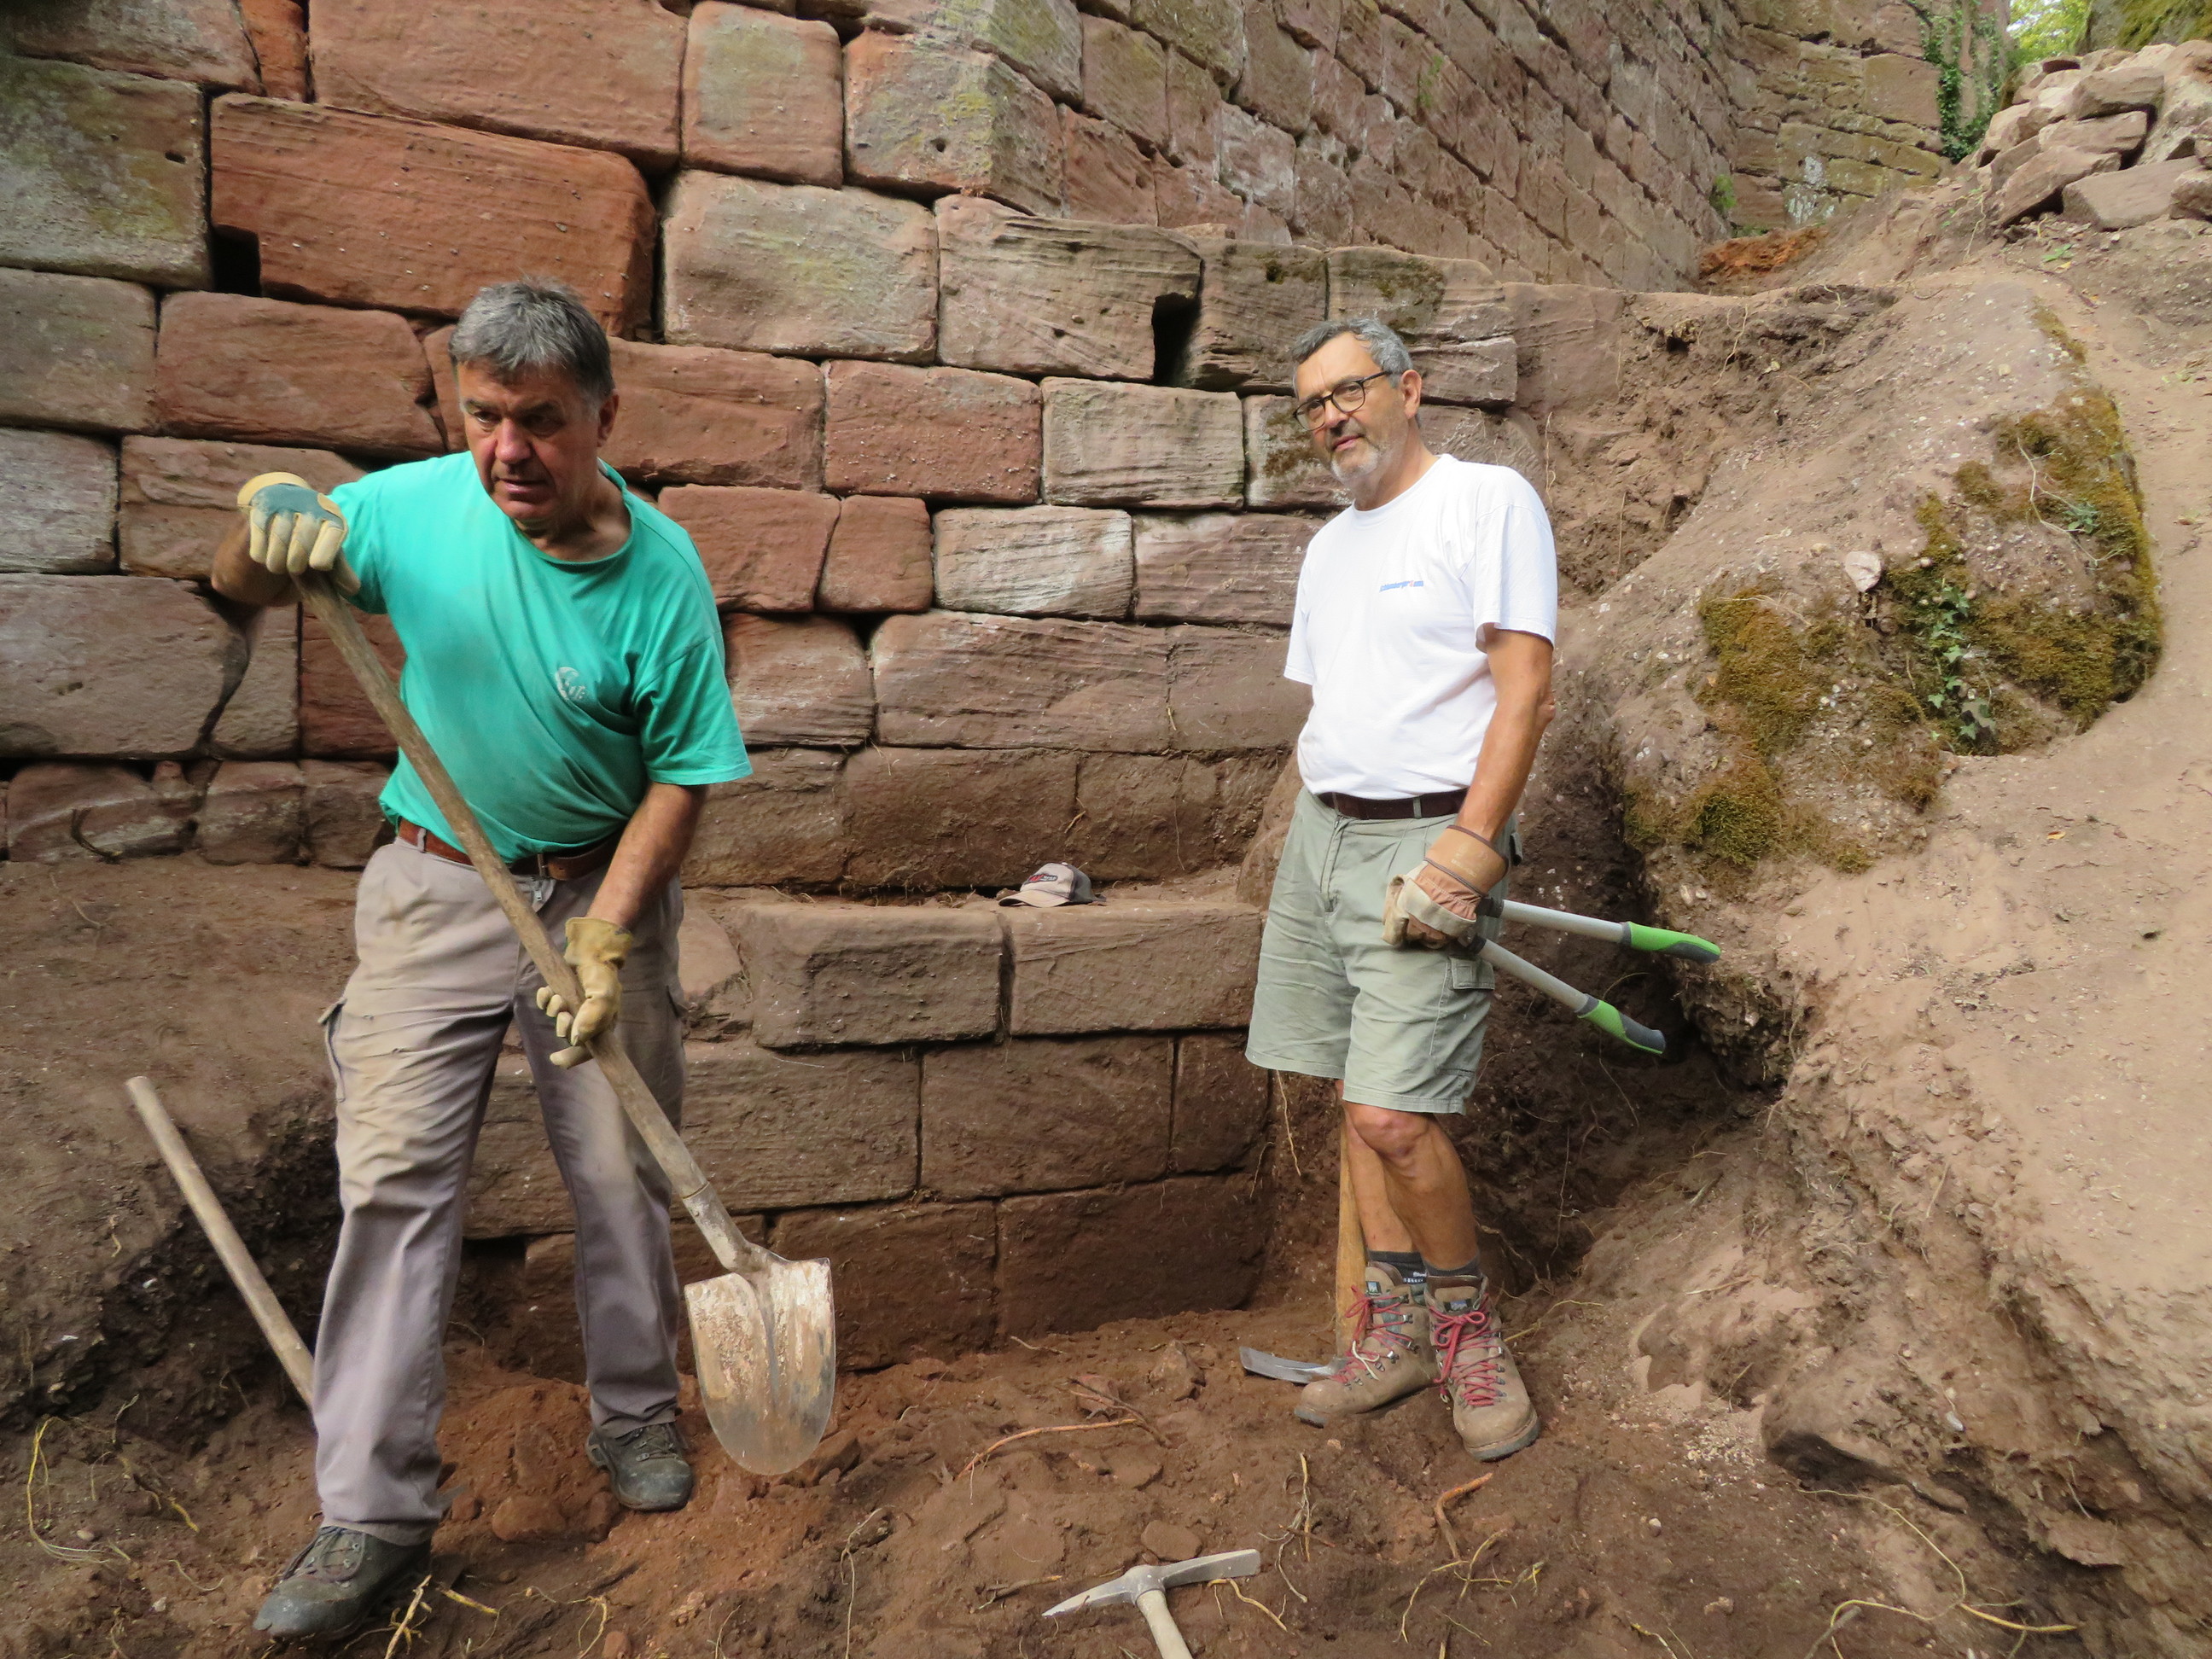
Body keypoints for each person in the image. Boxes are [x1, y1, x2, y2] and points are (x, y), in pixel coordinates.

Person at [211, 280, 752, 1637]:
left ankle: (636, 1417)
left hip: (596, 893)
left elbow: (684, 775)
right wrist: (263, 517)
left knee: (621, 1170)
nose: (508, 450)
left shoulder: (662, 575)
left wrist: (610, 934)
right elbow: (240, 587)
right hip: (433, 885)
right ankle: (371, 1511)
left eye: (543, 422)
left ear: (604, 418)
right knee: (394, 1181)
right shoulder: (409, 511)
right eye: (484, 415)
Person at [1244, 315, 1558, 1460]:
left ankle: (1469, 1335)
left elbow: (1525, 689)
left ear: (1409, 389)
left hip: (1428, 840)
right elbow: (1341, 705)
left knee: (1393, 1115)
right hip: (1324, 837)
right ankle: (1394, 1335)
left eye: (1350, 391)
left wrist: (1469, 852)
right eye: (1313, 405)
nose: (1333, 417)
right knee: (1352, 1094)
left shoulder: (1486, 503)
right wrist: (1308, 835)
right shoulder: (1329, 549)